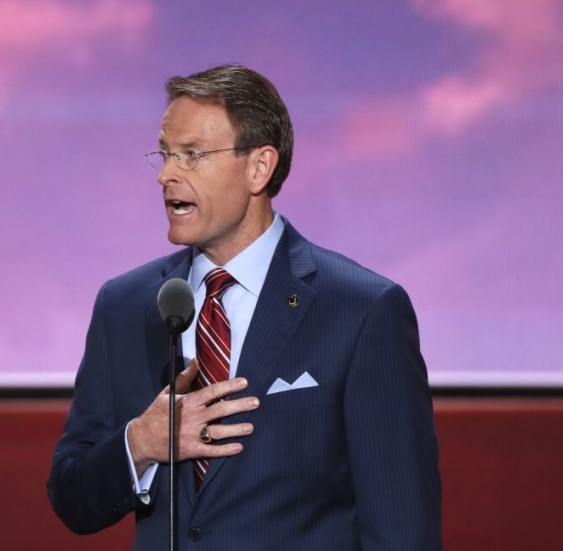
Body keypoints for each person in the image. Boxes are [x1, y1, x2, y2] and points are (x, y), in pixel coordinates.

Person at [47, 64, 442, 550]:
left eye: (192, 155)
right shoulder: (125, 306)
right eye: (166, 154)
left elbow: (401, 528)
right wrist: (141, 444)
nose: (167, 175)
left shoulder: (361, 310)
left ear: (259, 167)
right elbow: (71, 497)